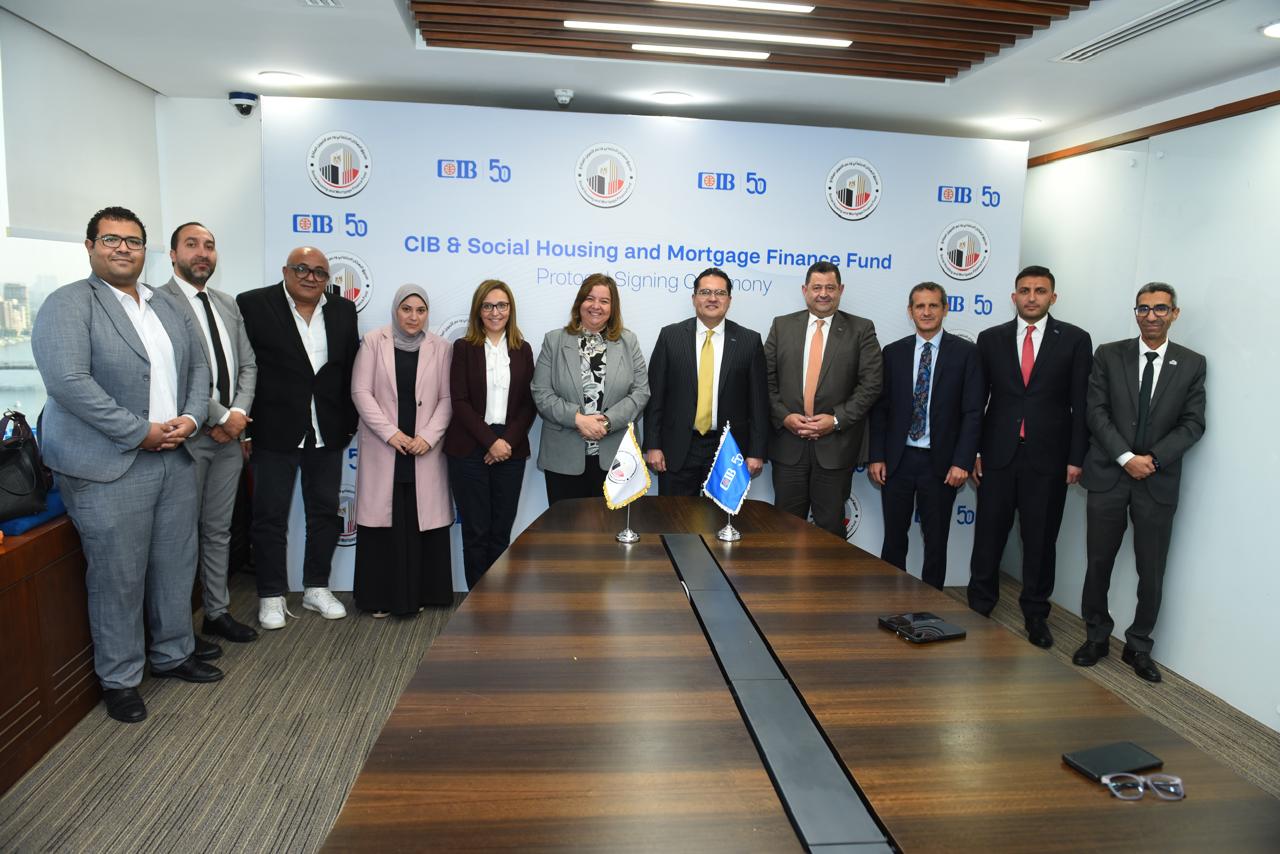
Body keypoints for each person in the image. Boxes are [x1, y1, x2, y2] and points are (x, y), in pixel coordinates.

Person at [32, 206, 219, 724]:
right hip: (108, 466)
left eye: (133, 241)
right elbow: (69, 384)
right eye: (111, 239)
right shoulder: (68, 303)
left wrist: (190, 418)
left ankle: (174, 653)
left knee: (175, 565)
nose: (122, 248)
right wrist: (140, 431)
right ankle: (120, 678)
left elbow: (198, 368)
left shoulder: (165, 304)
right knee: (118, 577)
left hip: (174, 455)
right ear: (90, 246)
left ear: (145, 250)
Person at [1073, 284, 1206, 682]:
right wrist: (1125, 457)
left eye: (1160, 309)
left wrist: (1154, 460)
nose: (1151, 316)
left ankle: (1139, 645)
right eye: (1144, 309)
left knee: (1152, 571)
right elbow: (1095, 412)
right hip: (1109, 477)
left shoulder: (1192, 363)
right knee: (1099, 563)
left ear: (1174, 313)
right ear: (1135, 313)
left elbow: (1193, 423)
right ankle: (1096, 636)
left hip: (1157, 481)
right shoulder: (1109, 354)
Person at [967, 265, 1092, 649]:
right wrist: (974, 450)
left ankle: (1036, 615)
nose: (1032, 297)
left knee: (1040, 541)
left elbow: (1081, 405)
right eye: (1025, 290)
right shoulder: (990, 339)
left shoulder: (1075, 339)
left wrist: (1076, 458)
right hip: (997, 456)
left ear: (1053, 297)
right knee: (988, 537)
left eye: (1040, 290)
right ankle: (979, 606)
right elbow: (976, 402)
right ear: (1014, 297)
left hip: (1049, 460)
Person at [236, 246, 359, 629]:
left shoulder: (343, 310)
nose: (311, 277)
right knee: (269, 517)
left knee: (324, 514)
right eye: (302, 269)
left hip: (327, 431)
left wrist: (348, 423)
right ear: (286, 271)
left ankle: (316, 587)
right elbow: (245, 367)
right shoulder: (253, 305)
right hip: (273, 431)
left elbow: (349, 369)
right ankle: (271, 594)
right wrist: (245, 428)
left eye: (319, 272)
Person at [158, 222, 259, 645]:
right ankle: (179, 628)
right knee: (181, 537)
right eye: (192, 245)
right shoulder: (157, 303)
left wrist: (238, 415)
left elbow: (248, 365)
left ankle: (216, 612)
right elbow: (177, 375)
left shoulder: (226, 303)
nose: (202, 253)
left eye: (210, 246)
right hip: (188, 439)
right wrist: (220, 418)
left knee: (219, 530)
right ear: (173, 254)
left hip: (229, 438)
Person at [868, 282, 984, 590]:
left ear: (945, 309)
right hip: (898, 461)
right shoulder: (894, 353)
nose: (927, 312)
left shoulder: (967, 354)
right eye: (920, 306)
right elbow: (881, 410)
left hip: (942, 464)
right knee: (894, 538)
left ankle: (931, 605)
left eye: (933, 305)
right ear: (910, 311)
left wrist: (962, 461)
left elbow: (973, 412)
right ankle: (891, 602)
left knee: (936, 541)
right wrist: (877, 455)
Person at [350, 284, 454, 615]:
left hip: (424, 449)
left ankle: (422, 595)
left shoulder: (441, 347)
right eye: (406, 309)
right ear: (395, 310)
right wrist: (390, 433)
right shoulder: (373, 341)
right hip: (386, 448)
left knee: (420, 520)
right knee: (384, 523)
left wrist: (428, 436)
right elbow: (360, 392)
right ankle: (379, 599)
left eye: (420, 310)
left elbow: (447, 399)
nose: (413, 316)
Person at [764, 261, 882, 538]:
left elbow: (872, 383)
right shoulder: (782, 326)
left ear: (841, 290)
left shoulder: (861, 329)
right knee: (784, 528)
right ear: (805, 290)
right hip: (789, 446)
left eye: (830, 287)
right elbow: (765, 379)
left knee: (830, 530)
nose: (823, 294)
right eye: (817, 287)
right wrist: (784, 416)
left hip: (836, 448)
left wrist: (837, 420)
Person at [643, 267, 768, 495]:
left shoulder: (749, 341)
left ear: (729, 300)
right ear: (694, 298)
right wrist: (652, 445)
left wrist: (756, 452)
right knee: (676, 517)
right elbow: (655, 397)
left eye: (720, 293)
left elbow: (758, 403)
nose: (712, 298)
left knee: (720, 517)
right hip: (677, 448)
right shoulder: (670, 337)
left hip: (729, 451)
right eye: (705, 292)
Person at [444, 280, 535, 589]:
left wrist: (505, 442)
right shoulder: (463, 348)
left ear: (510, 309)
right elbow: (459, 401)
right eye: (488, 306)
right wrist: (490, 442)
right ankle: (476, 602)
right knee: (476, 531)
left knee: (500, 531)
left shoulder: (523, 349)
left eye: (502, 305)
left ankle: (497, 601)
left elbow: (528, 404)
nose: (495, 312)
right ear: (478, 310)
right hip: (469, 447)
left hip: (511, 448)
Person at [531, 273, 650, 504]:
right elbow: (541, 393)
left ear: (612, 308)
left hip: (617, 457)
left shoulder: (629, 341)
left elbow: (640, 392)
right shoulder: (554, 341)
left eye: (604, 301)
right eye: (590, 298)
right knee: (566, 525)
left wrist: (607, 422)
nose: (596, 306)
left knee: (612, 526)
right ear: (579, 303)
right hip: (563, 456)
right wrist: (578, 419)